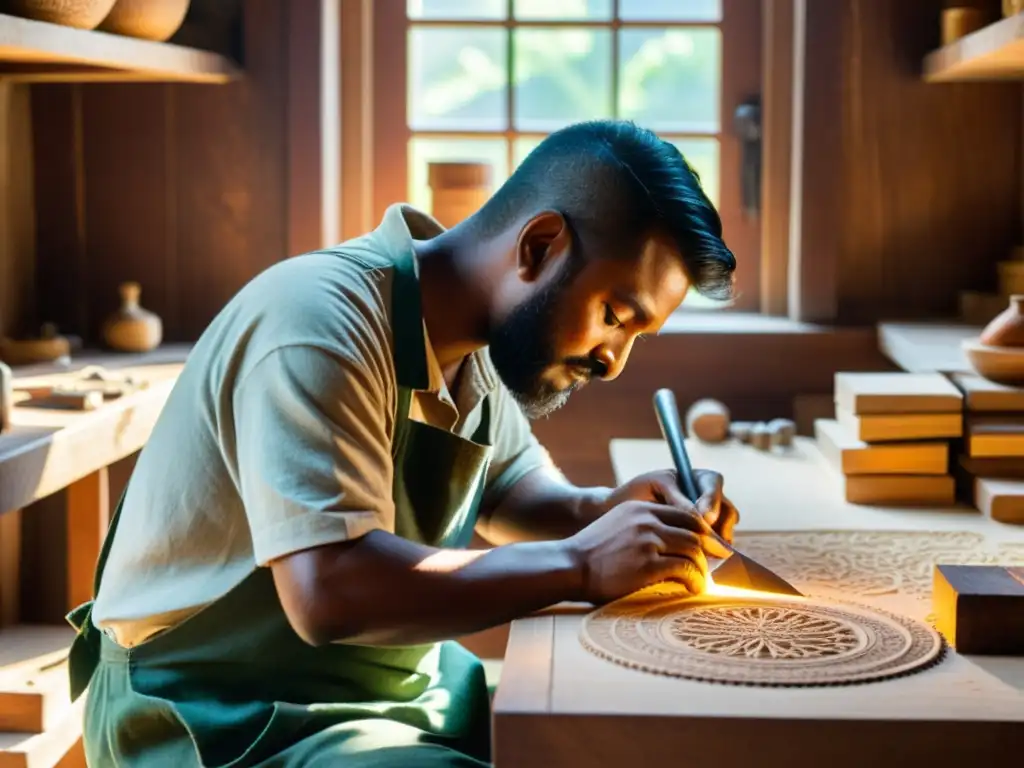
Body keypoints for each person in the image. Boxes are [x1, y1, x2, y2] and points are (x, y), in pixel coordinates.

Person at [67, 119, 739, 767]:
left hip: (382, 693)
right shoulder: (320, 322)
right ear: (538, 247)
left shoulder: (471, 340)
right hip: (219, 711)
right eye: (615, 317)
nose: (614, 360)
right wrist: (583, 564)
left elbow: (514, 491)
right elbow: (328, 591)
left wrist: (613, 511)